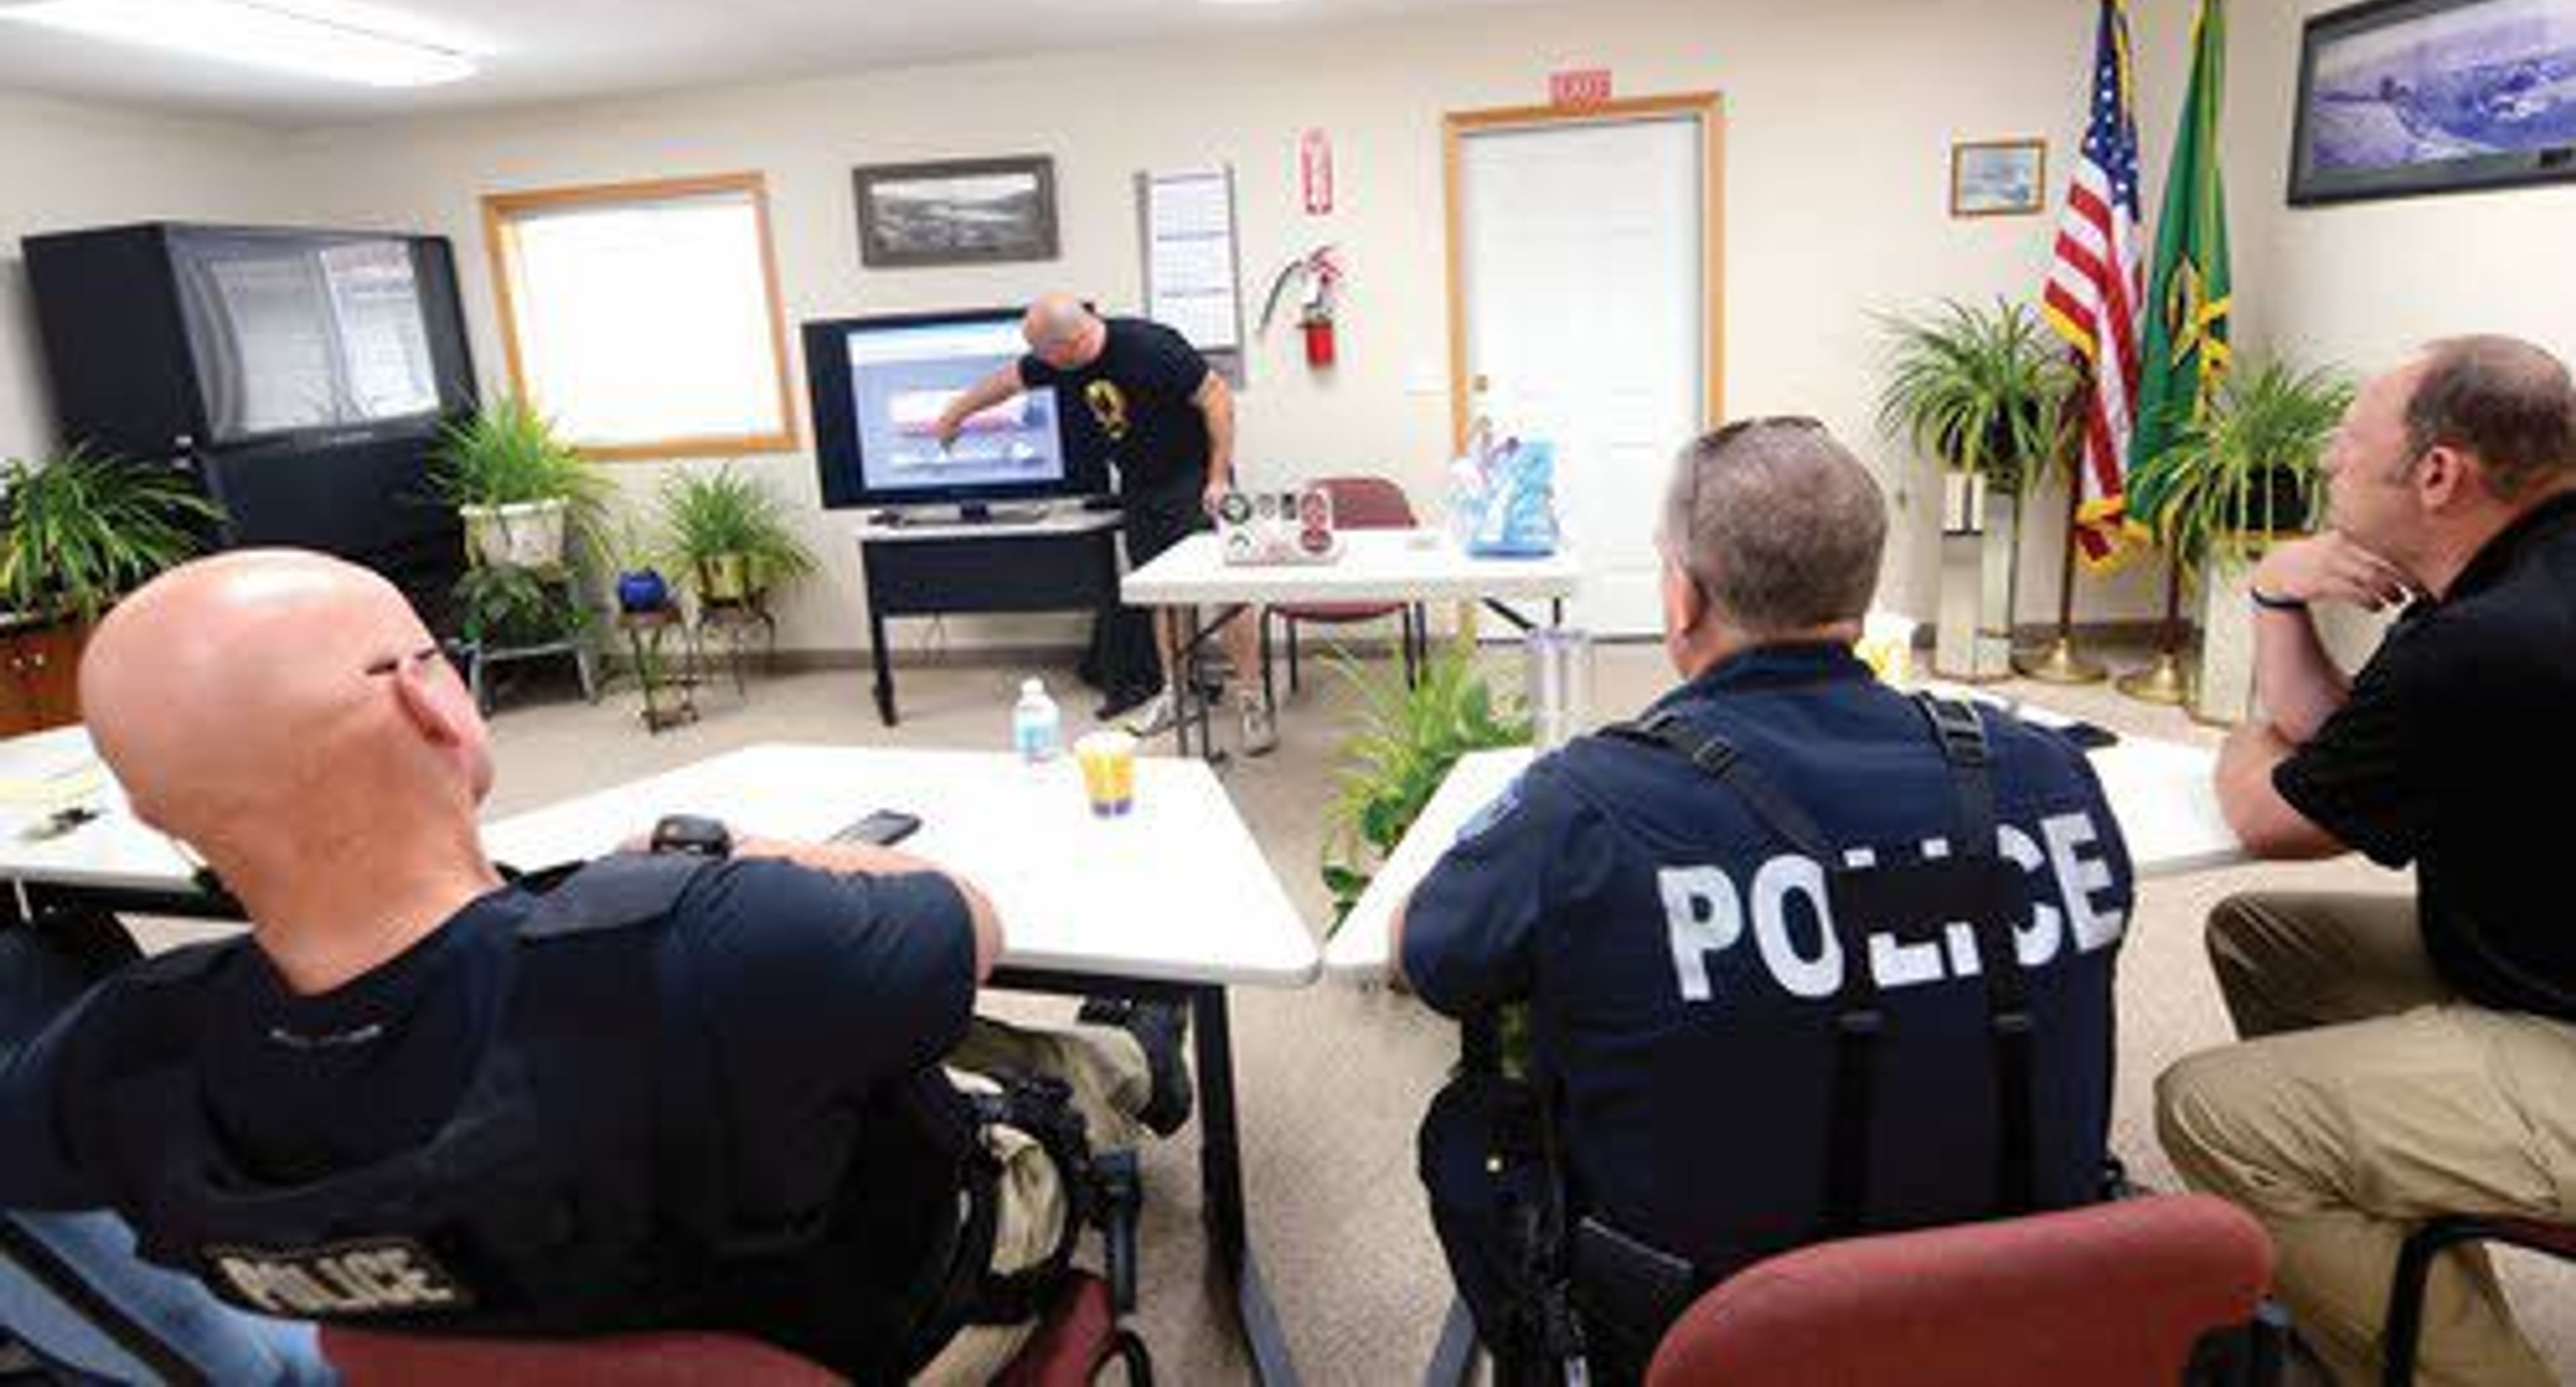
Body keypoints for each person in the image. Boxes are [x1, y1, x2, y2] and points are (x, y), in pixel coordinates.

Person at [0, 550, 1190, 1382]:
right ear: (435, 706)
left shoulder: (121, 1055)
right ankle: (1138, 1053)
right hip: (899, 1332)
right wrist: (747, 857)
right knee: (1044, 1063)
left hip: (460, 1363)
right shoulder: (714, 941)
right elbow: (966, 918)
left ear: (157, 811)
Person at [1393, 419, 2133, 1378]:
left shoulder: (1590, 804)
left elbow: (1427, 955)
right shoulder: (2049, 771)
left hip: (1713, 1340)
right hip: (2030, 1317)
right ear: (1862, 593)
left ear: (1686, 594)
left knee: (1470, 1127)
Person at [2156, 335, 2576, 1387]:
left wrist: (2243, 740)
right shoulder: (2505, 580)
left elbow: (2276, 814)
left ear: (2438, 474)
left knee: (2210, 1105)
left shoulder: (2494, 637)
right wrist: (2276, 593)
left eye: (2347, 441)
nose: (2329, 461)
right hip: (2539, 958)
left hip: (2561, 1036)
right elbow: (2350, 742)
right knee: (2263, 933)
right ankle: (2376, 1223)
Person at [935, 293, 1274, 755]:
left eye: (1043, 354)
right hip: (1140, 485)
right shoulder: (1057, 359)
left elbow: (1216, 396)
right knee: (1162, 594)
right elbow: (1007, 382)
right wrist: (955, 412)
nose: (1038, 363)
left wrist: (1217, 477)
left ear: (1069, 343)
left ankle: (1252, 699)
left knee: (1229, 594)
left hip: (1194, 480)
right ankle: (1174, 692)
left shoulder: (1150, 347)